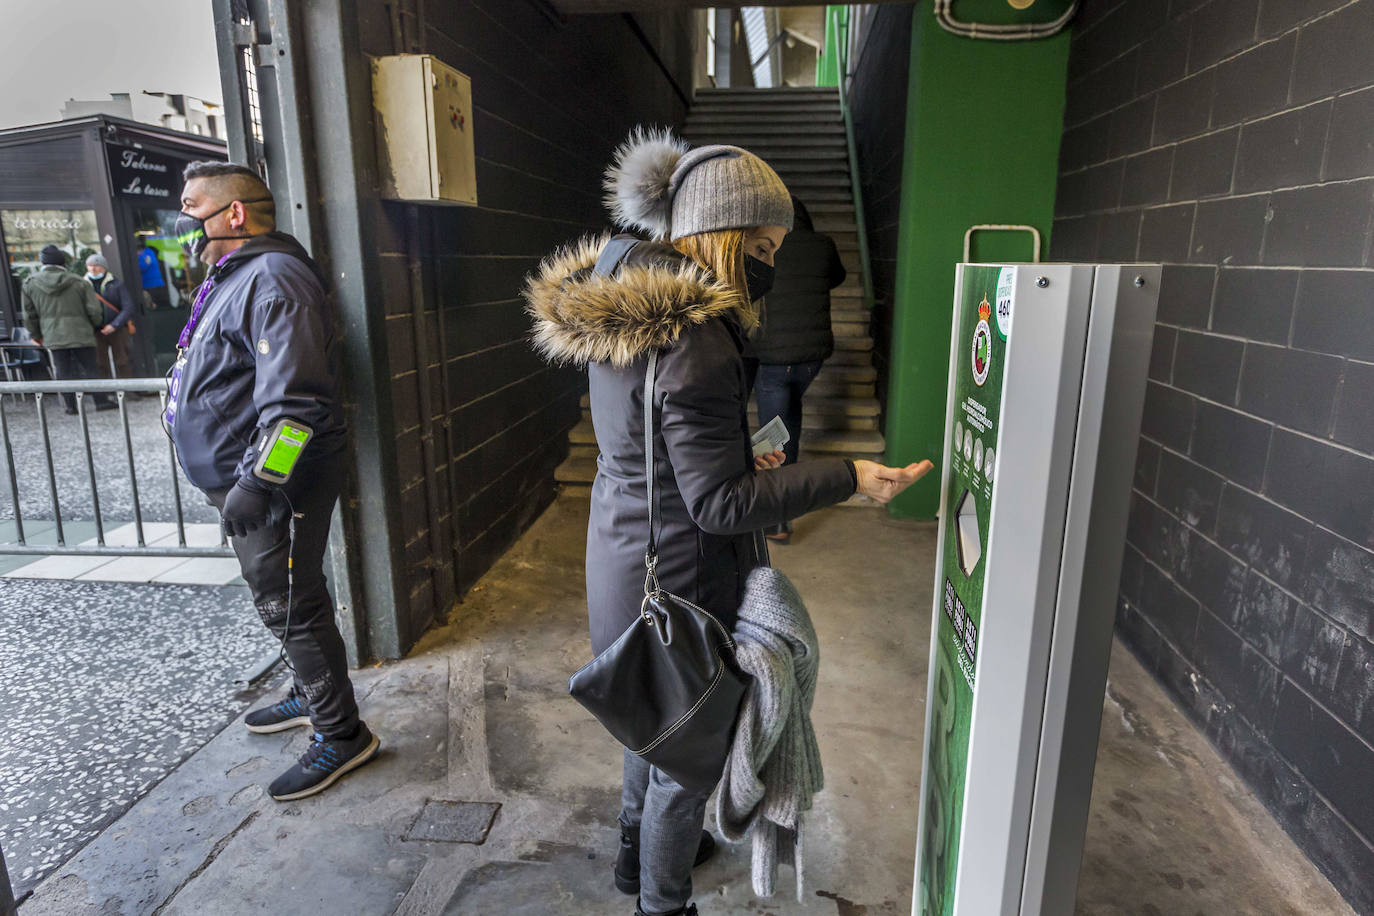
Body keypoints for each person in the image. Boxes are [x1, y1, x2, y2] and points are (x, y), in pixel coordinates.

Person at [525, 129, 931, 916]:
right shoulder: (698, 342)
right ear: (728, 234)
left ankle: (630, 856)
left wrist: (740, 453)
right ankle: (663, 901)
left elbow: (658, 448)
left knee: (653, 713)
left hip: (623, 552)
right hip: (682, 574)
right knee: (692, 753)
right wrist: (849, 475)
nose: (773, 261)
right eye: (767, 243)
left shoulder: (627, 315)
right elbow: (719, 505)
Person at [167, 160, 378, 801]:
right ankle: (307, 691)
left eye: (191, 207)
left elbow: (297, 409)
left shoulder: (274, 278)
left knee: (289, 603)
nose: (182, 221)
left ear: (234, 213)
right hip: (247, 478)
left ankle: (341, 735)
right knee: (288, 600)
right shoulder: (237, 275)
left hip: (276, 484)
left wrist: (258, 484)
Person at [751, 195, 848, 544]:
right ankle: (777, 509)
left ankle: (773, 519)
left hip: (774, 357)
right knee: (785, 422)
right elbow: (836, 277)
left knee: (772, 436)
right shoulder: (823, 244)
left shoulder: (761, 246)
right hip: (811, 358)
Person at [20, 245, 115, 413]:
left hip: (52, 334)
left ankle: (71, 406)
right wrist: (95, 325)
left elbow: (29, 314)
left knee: (63, 370)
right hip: (81, 332)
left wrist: (36, 335)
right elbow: (94, 310)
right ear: (62, 262)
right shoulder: (79, 282)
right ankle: (101, 402)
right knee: (91, 367)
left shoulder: (30, 284)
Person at [85, 254, 138, 379]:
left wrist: (115, 324)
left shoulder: (115, 283)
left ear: (104, 268)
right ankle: (106, 393)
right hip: (95, 330)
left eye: (96, 266)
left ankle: (128, 391)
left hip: (117, 329)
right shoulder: (83, 285)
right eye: (90, 266)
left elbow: (128, 307)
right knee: (100, 363)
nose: (93, 269)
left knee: (122, 361)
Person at [136, 237, 170, 310]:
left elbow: (142, 267)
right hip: (158, 285)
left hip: (150, 286)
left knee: (155, 309)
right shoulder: (150, 252)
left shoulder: (146, 254)